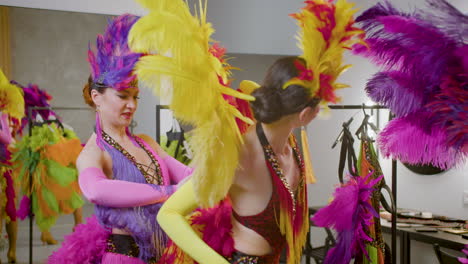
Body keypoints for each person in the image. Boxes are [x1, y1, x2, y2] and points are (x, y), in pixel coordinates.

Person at [127, 0, 364, 263]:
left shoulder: (289, 146)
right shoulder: (239, 154)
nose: (320, 112)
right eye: (318, 106)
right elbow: (169, 214)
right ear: (304, 114)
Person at [48, 14, 192, 264]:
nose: (131, 105)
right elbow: (96, 190)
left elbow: (188, 176)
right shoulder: (94, 153)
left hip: (167, 256)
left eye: (136, 97)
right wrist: (168, 191)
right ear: (97, 97)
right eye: (123, 96)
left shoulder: (147, 142)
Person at [0, 69, 24, 264]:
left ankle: (12, 250)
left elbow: (10, 139)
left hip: (7, 164)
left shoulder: (8, 115)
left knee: (10, 208)